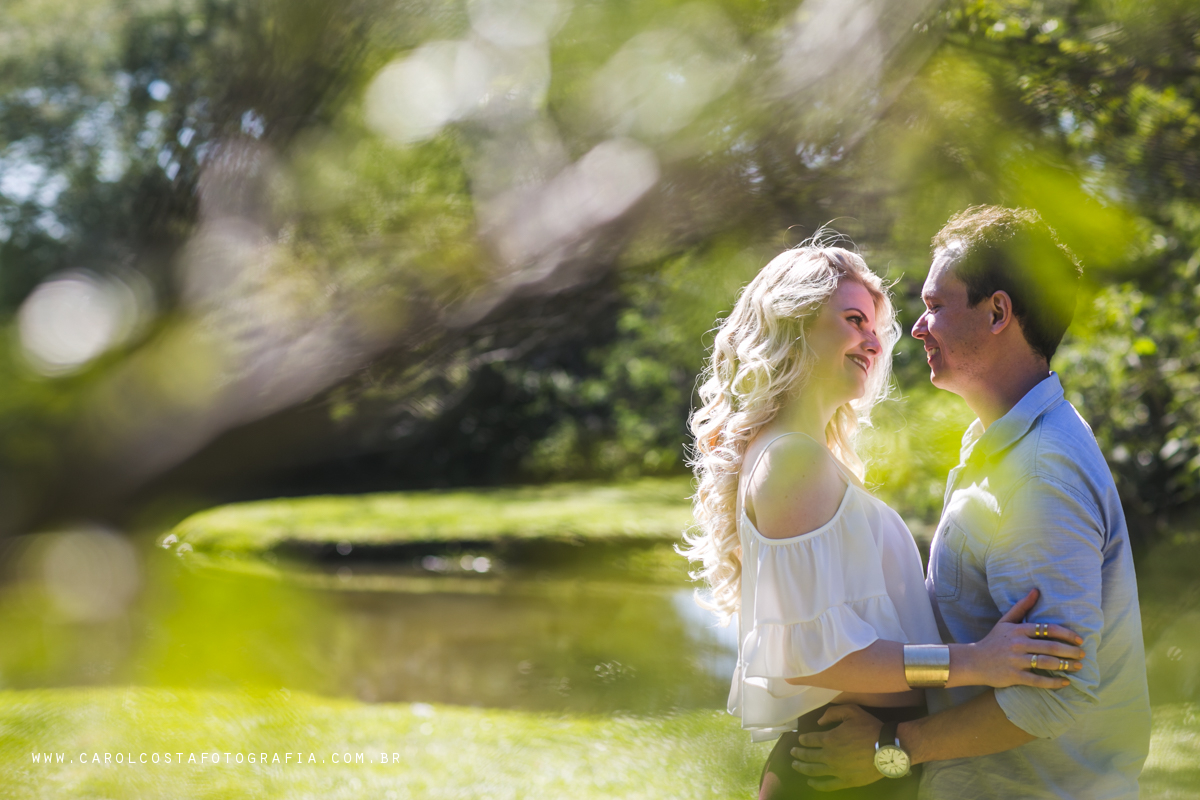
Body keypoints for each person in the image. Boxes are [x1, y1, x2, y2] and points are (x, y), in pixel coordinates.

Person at [680, 236, 1086, 800]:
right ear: (795, 323)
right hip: (836, 771)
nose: (873, 342)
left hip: (854, 762)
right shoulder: (791, 459)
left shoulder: (799, 453)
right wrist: (976, 662)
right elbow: (815, 660)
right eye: (852, 320)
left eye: (874, 327)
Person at [788, 207, 1152, 799]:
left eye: (935, 305)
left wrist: (894, 748)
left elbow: (1056, 689)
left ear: (998, 312)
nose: (916, 328)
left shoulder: (1039, 472)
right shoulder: (999, 444)